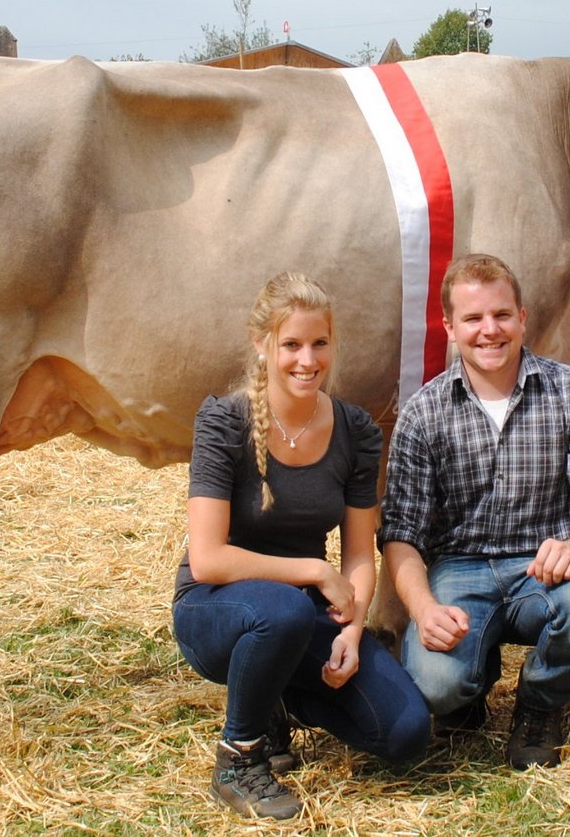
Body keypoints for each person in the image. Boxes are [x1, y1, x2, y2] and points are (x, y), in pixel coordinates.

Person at [171, 272, 430, 820]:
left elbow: (358, 554)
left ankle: (276, 693)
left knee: (406, 730)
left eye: (319, 343)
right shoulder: (224, 422)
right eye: (291, 344)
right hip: (216, 607)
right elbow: (209, 559)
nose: (307, 360)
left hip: (299, 613)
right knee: (283, 611)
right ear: (262, 344)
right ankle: (240, 758)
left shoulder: (356, 431)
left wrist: (353, 631)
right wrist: (313, 571)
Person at [380, 253, 570, 770]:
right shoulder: (423, 412)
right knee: (435, 687)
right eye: (473, 318)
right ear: (450, 328)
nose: (489, 330)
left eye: (501, 315)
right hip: (459, 570)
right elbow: (401, 536)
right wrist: (423, 610)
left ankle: (540, 702)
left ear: (523, 318)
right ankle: (469, 684)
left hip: (544, 567)